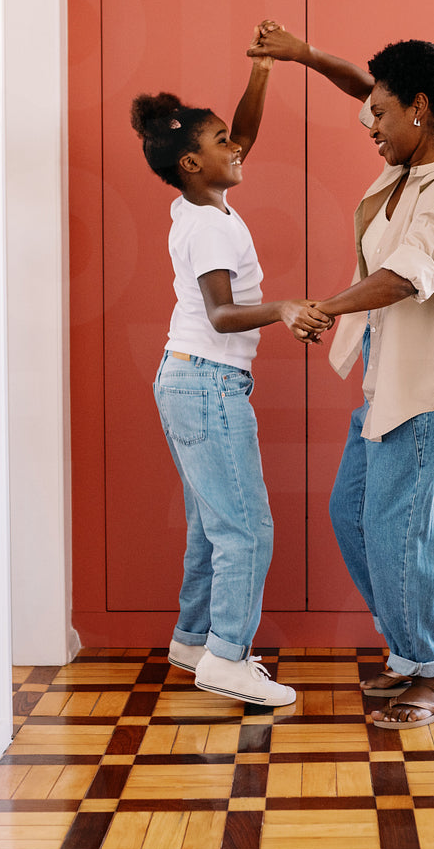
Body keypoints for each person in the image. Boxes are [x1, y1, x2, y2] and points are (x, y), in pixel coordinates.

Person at [249, 24, 434, 728]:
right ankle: (410, 656)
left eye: (382, 114)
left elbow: (405, 276)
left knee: (405, 532)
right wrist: (304, 55)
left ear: (420, 109)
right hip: (390, 378)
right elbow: (367, 88)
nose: (370, 125)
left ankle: (433, 676)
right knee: (354, 514)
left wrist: (325, 307)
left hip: (432, 380)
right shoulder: (406, 164)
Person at [130, 43, 332, 708]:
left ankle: (194, 641)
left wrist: (261, 70)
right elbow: (220, 315)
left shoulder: (200, 205)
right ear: (192, 164)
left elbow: (243, 131)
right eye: (222, 143)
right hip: (209, 383)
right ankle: (227, 658)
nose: (238, 146)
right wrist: (283, 308)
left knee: (210, 524)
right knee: (245, 529)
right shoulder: (210, 228)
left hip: (187, 380)